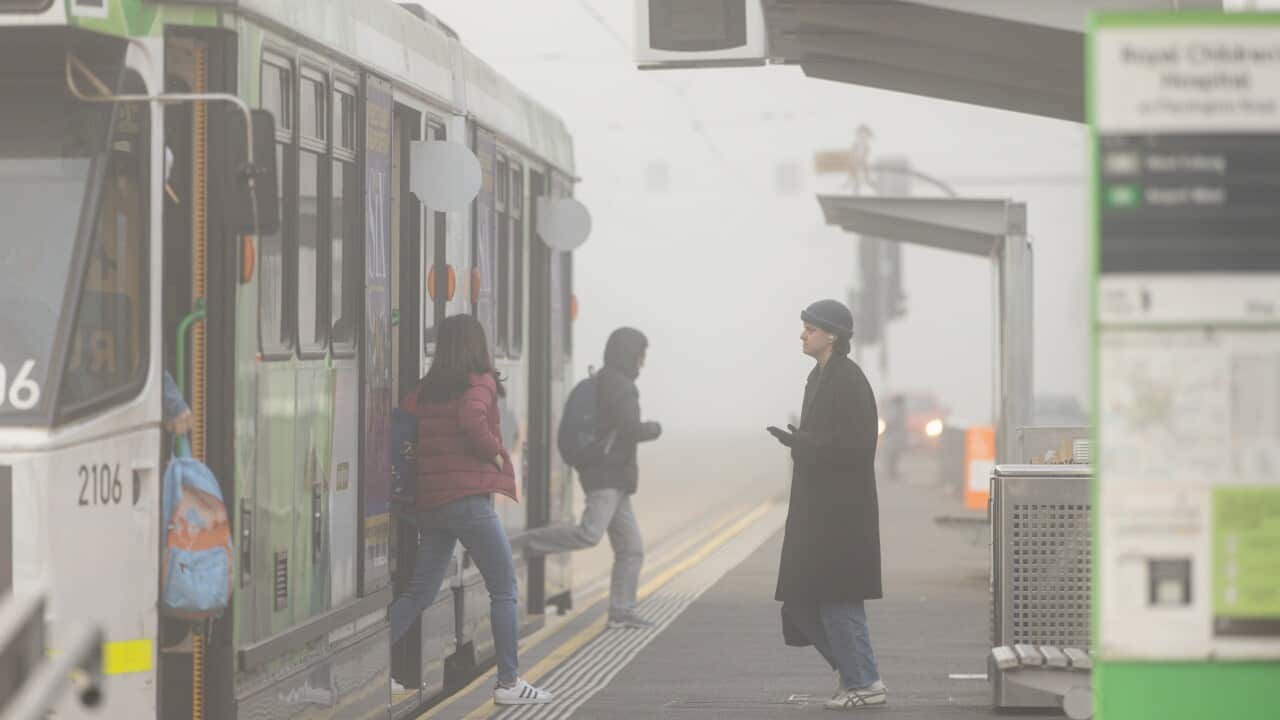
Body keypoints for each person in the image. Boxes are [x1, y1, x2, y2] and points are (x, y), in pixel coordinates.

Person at [387, 314, 552, 706]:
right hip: (468, 504)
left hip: (432, 505)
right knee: (505, 589)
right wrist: (495, 452)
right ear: (476, 345)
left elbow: (403, 421)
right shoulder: (480, 382)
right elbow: (471, 419)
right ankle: (510, 683)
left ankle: (381, 668)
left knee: (419, 592)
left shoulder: (426, 390)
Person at [767, 299, 886, 710]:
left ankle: (865, 682)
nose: (803, 334)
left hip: (841, 513)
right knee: (801, 601)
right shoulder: (817, 377)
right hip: (817, 510)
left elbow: (858, 445)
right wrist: (801, 442)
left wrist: (802, 442)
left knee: (838, 597)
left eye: (810, 328)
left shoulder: (848, 380)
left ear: (832, 334)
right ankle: (853, 673)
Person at [522, 327, 660, 629]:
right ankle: (523, 545)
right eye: (641, 355)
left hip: (614, 477)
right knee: (589, 533)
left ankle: (621, 612)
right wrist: (654, 428)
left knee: (631, 548)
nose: (643, 362)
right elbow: (631, 427)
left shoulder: (605, 382)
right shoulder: (621, 387)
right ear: (629, 355)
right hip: (607, 475)